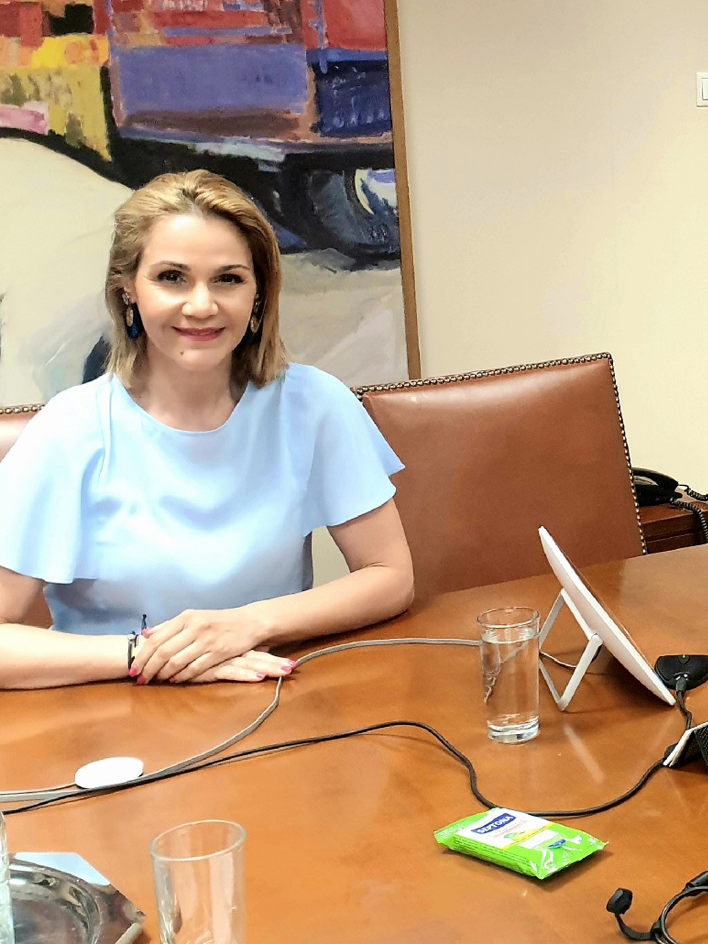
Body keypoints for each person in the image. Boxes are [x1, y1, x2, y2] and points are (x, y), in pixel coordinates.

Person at [0, 170, 414, 689]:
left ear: (259, 294)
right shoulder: (67, 431)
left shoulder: (315, 404)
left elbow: (389, 576)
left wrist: (247, 625)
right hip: (112, 710)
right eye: (172, 277)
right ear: (128, 290)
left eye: (228, 279)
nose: (201, 305)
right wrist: (152, 655)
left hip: (270, 699)